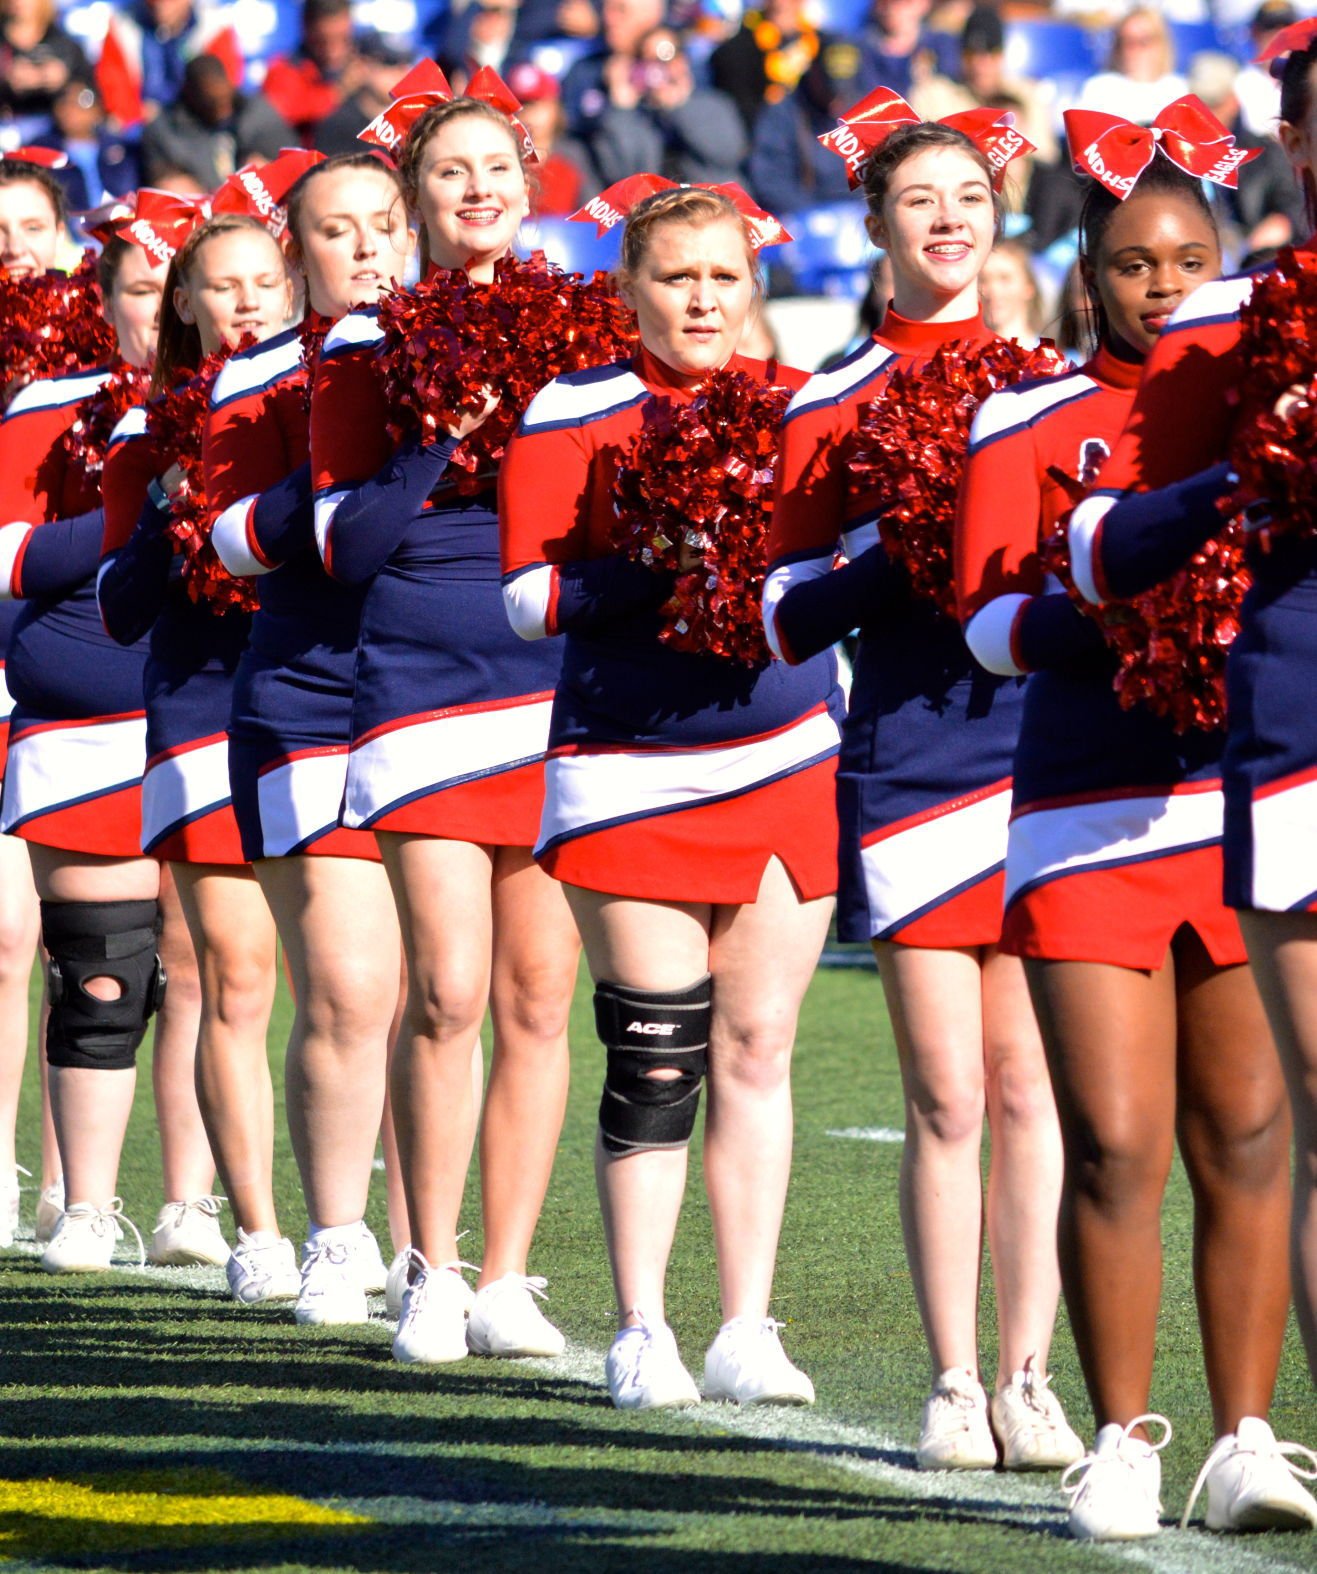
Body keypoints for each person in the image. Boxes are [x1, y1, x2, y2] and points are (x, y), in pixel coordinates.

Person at [957, 106, 1316, 1541]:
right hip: (1085, 805)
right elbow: (986, 627)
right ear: (1087, 277)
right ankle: (1118, 1436)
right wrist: (1123, 624)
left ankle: (1243, 1436)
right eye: (1129, 263)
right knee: (1112, 1139)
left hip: (1228, 791)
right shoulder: (1028, 415)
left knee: (1246, 1134)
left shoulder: (1257, 382)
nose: (1159, 285)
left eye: (1184, 258)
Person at [764, 95, 1081, 1471]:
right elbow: (778, 611)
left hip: (1050, 755)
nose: (948, 219)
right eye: (919, 201)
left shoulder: (1058, 380)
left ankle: (1032, 1373)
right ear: (877, 226)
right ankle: (953, 1378)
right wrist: (899, 549)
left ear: (998, 216)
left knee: (1033, 1088)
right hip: (910, 758)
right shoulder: (826, 396)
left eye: (968, 198)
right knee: (946, 1088)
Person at [501, 180, 840, 1410]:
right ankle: (641, 1323)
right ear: (629, 286)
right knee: (657, 1053)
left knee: (759, 1045)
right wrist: (661, 558)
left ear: (751, 286)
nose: (703, 297)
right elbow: (528, 599)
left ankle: (746, 1322)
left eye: (723, 276)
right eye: (677, 275)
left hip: (781, 751)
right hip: (626, 765)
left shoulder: (799, 404)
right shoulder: (573, 407)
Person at [1061, 12, 1317, 1509]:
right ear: (1294, 144)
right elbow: (1096, 545)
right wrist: (1252, 463)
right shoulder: (1231, 326)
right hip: (1299, 740)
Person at [310, 69, 577, 1364]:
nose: (479, 188)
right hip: (418, 681)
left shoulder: (589, 331)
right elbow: (344, 543)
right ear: (416, 195)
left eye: (498, 167)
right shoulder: (369, 339)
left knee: (537, 992)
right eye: (451, 170)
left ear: (529, 184)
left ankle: (509, 1276)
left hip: (552, 684)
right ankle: (429, 1262)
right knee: (450, 990)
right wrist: (444, 440)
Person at [207, 150, 415, 1318]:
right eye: (338, 230)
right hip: (310, 697)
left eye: (384, 223)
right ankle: (337, 1233)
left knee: (445, 992)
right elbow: (232, 536)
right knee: (346, 984)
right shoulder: (260, 377)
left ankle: (430, 1240)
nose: (368, 247)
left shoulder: (458, 357)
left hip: (448, 698)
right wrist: (348, 471)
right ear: (296, 249)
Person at [0, 195, 218, 1272]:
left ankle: (193, 1204)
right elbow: (9, 559)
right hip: (86, 724)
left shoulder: (262, 401)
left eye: (187, 284)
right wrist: (145, 511)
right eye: (143, 287)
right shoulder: (54, 403)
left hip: (218, 715)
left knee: (211, 968)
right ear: (109, 297)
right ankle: (82, 1203)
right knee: (102, 970)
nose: (168, 308)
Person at [98, 206, 299, 1297]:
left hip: (319, 707)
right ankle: (256, 1229)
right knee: (237, 970)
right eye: (223, 285)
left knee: (360, 982)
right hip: (201, 700)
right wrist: (167, 522)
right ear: (183, 301)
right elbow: (122, 610)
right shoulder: (153, 425)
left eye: (265, 279)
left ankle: (367, 1235)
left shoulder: (331, 405)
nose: (249, 301)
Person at [0, 151, 87, 1246]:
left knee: (94, 934)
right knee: (5, 932)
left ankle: (82, 1180)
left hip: (68, 659)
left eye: (25, 223)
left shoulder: (95, 352)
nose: (9, 242)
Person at [579, 24, 748, 190]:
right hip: (659, 211)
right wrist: (622, 108)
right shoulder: (634, 116)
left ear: (682, 61)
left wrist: (680, 106)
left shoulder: (713, 103)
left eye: (666, 55)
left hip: (714, 207)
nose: (657, 67)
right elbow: (624, 173)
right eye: (647, 60)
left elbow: (726, 154)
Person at [141, 53, 294, 190]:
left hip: (259, 204)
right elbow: (161, 178)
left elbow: (291, 160)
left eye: (225, 99)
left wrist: (264, 167)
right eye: (212, 102)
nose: (223, 110)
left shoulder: (255, 112)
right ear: (191, 96)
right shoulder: (165, 131)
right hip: (202, 209)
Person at [96, 0, 244, 129]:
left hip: (200, 125)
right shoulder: (123, 25)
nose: (161, 4)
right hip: (142, 128)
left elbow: (223, 89)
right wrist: (142, 117)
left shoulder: (213, 26)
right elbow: (115, 90)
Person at [262, 0, 361, 142]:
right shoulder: (285, 69)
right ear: (306, 28)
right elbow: (279, 114)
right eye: (322, 41)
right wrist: (338, 92)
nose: (333, 52)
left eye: (342, 39)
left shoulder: (369, 61)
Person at [1076, 9, 1187, 125]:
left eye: (1145, 40)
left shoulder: (1177, 88)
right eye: (1128, 41)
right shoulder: (1098, 88)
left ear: (1161, 43)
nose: (1136, 49)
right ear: (1117, 47)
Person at [0, 0, 90, 130]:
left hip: (54, 129)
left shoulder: (65, 46)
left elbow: (90, 94)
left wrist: (66, 84)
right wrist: (6, 78)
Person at [977, 239, 1043, 344]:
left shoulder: (1050, 357)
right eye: (983, 280)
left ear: (1029, 287)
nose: (993, 290)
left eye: (1005, 278)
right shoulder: (965, 356)